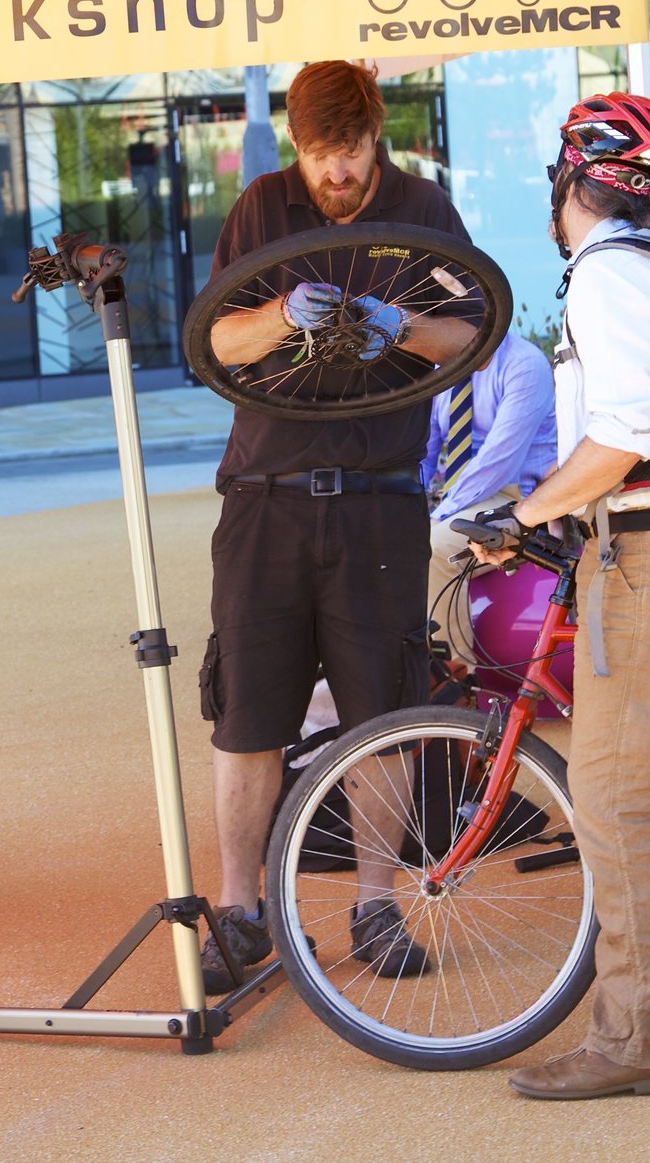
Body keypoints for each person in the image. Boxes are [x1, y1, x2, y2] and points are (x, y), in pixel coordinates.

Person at [472, 92, 650, 1101]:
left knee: (616, 800)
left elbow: (631, 424)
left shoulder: (605, 272)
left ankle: (636, 1034)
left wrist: (533, 507)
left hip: (646, 561)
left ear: (566, 181)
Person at [194, 60, 478, 992]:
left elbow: (471, 336)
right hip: (264, 498)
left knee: (382, 713)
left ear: (375, 135)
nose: (336, 176)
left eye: (349, 153)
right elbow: (214, 343)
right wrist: (278, 313)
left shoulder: (421, 210)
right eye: (319, 156)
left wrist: (397, 322)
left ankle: (374, 905)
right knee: (248, 718)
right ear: (295, 141)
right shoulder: (262, 208)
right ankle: (241, 915)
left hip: (380, 497)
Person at [418, 328, 557, 667]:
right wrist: (404, 503)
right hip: (462, 494)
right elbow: (422, 452)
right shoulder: (444, 369)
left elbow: (497, 463)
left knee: (434, 546)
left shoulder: (524, 364)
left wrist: (437, 517)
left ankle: (454, 681)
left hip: (520, 499)